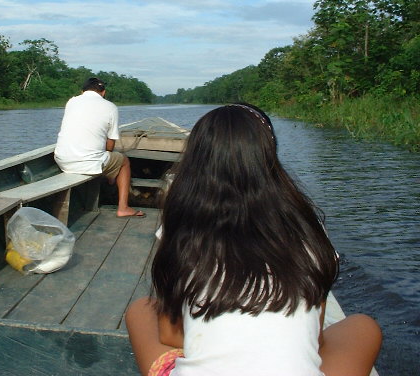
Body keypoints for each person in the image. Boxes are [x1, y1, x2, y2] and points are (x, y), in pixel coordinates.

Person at [125, 103, 381, 376]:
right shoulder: (308, 229)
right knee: (364, 326)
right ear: (268, 155)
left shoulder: (182, 229)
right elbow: (315, 340)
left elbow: (170, 334)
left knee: (140, 310)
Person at [54, 77, 145, 218]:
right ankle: (123, 208)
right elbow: (110, 144)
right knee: (124, 161)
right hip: (88, 163)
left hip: (62, 160)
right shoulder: (111, 107)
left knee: (103, 157)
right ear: (103, 92)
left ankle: (111, 175)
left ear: (82, 91)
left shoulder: (71, 102)